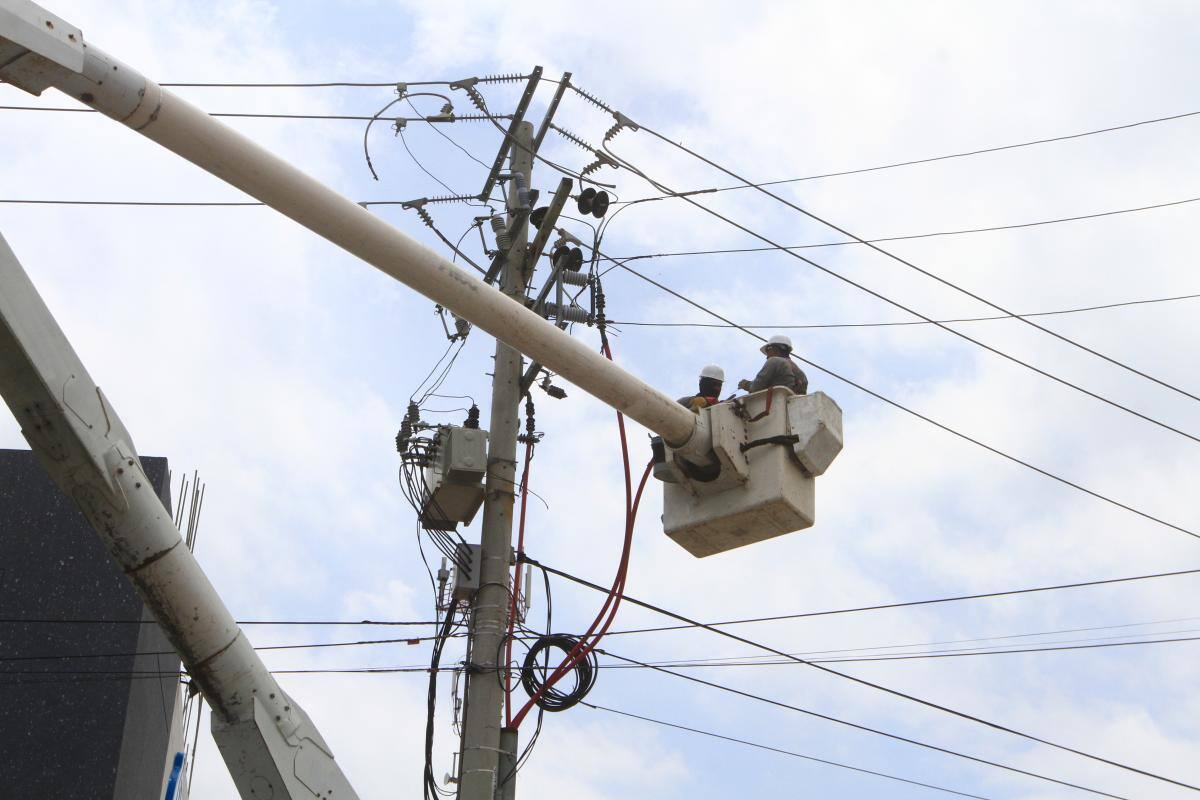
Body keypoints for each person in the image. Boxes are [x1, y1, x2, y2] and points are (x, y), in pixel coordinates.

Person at [738, 334, 807, 395]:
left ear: (774, 348)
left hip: (776, 405)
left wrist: (745, 384)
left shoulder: (774, 361)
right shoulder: (801, 374)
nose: (767, 356)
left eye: (767, 350)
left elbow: (755, 388)